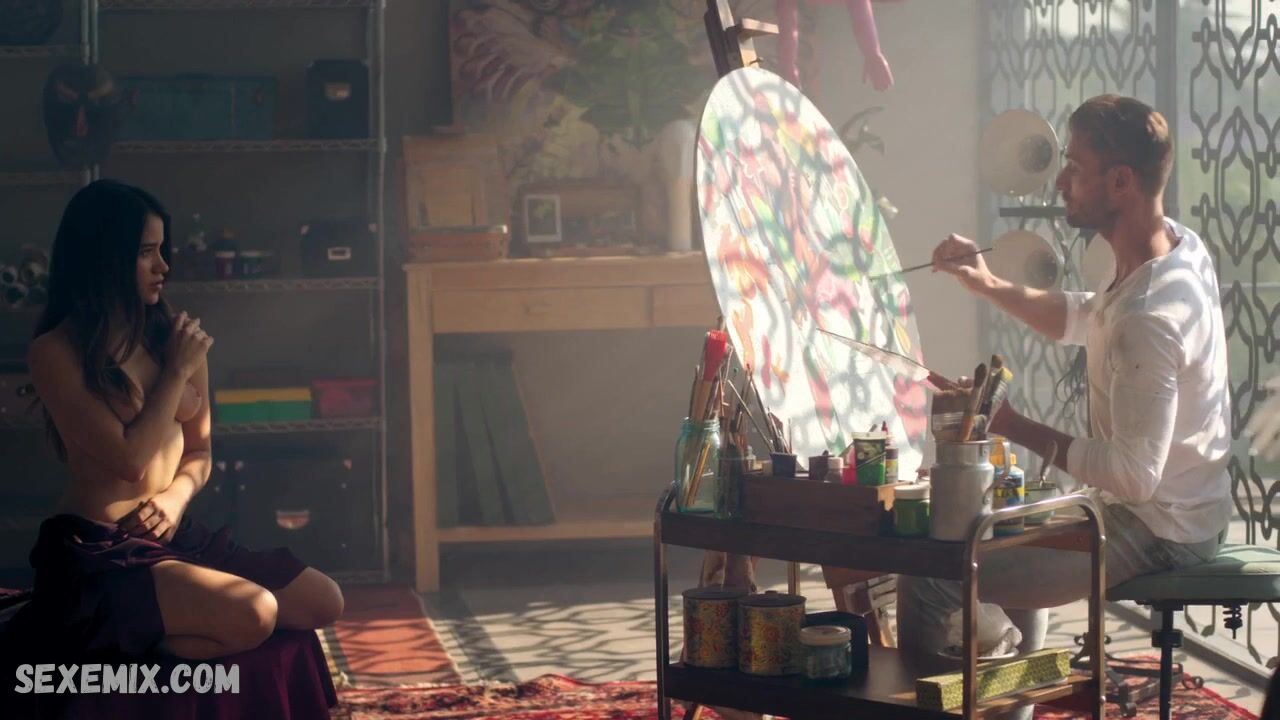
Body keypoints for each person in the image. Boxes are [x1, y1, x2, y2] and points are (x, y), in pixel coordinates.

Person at [899, 94, 1231, 701]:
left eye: (1075, 167)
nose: (1059, 181)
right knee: (1000, 536)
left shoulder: (1150, 314)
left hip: (1163, 528)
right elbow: (1085, 318)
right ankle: (1014, 696)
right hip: (1162, 506)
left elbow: (1133, 477)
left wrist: (1006, 421)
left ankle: (948, 701)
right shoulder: (1173, 245)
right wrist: (987, 283)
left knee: (935, 575)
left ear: (1121, 180)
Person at [13, 179, 344, 663]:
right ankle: (97, 629)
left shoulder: (173, 336)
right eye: (146, 253)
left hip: (172, 531)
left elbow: (200, 450)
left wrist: (174, 499)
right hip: (101, 550)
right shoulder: (56, 351)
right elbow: (129, 460)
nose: (163, 267)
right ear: (104, 258)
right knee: (256, 612)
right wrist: (174, 373)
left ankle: (141, 628)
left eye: (161, 250)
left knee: (323, 600)